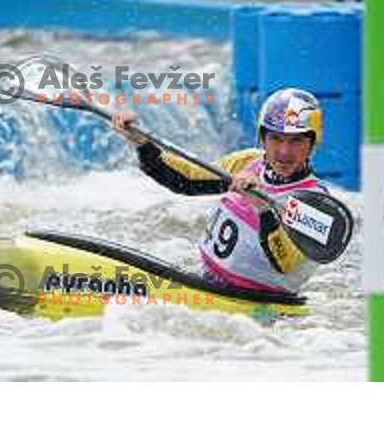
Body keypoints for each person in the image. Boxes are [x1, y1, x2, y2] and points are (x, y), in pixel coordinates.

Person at [112, 88, 328, 295]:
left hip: (259, 308)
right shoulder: (248, 162)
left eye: (296, 141)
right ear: (263, 138)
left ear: (312, 143)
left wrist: (263, 208)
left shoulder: (317, 203)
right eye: (275, 138)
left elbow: (286, 263)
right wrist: (142, 143)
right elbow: (186, 179)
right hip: (207, 283)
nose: (284, 151)